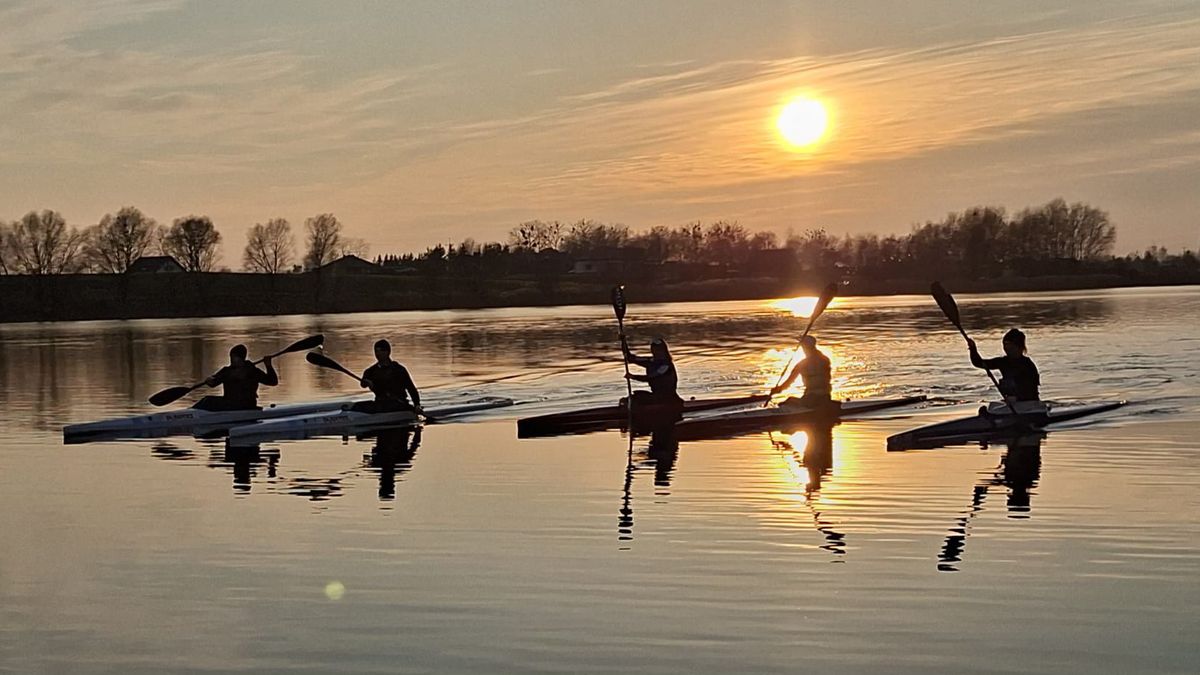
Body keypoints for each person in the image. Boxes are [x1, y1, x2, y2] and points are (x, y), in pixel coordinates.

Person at [194, 344, 278, 411]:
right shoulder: (229, 370)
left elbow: (273, 382)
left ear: (239, 358)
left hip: (243, 405)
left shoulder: (252, 371)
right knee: (206, 400)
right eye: (231, 357)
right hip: (239, 404)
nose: (231, 360)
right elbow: (213, 383)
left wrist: (268, 366)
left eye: (233, 357)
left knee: (207, 401)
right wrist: (209, 379)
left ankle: (190, 414)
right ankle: (190, 412)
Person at [967, 328, 1040, 403]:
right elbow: (979, 363)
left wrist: (1018, 398)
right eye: (1005, 345)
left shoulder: (1028, 365)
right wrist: (973, 349)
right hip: (1011, 403)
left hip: (1030, 403)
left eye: (1010, 346)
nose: (1006, 349)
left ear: (1019, 347)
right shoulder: (1003, 362)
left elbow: (1032, 388)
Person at [354, 339, 421, 414]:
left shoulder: (399, 369)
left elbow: (411, 388)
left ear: (388, 352)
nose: (378, 354)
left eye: (381, 351)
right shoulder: (370, 371)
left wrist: (417, 405)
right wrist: (367, 382)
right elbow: (363, 384)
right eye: (376, 351)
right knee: (357, 406)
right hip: (381, 403)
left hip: (398, 404)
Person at [772, 336, 833, 408]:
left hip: (810, 399)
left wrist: (777, 390)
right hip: (826, 396)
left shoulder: (801, 364)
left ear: (804, 347)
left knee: (787, 402)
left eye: (802, 346)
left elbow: (788, 383)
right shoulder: (825, 359)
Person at [622, 336, 682, 405]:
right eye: (653, 349)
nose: (655, 351)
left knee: (637, 398)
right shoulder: (651, 361)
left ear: (663, 350)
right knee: (631, 398)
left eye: (658, 350)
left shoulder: (666, 366)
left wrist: (633, 376)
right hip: (656, 395)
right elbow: (630, 358)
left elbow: (651, 377)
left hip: (668, 398)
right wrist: (623, 342)